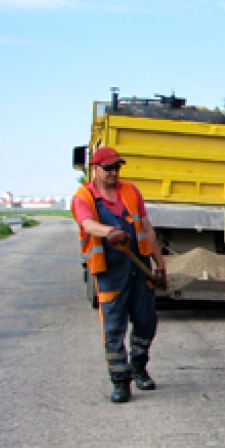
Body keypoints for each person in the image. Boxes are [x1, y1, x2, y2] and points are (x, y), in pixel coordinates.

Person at [72, 146, 168, 404]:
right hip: (110, 272)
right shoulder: (83, 197)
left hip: (139, 268)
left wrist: (159, 264)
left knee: (146, 322)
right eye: (108, 168)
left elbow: (146, 227)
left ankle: (138, 367)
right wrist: (109, 232)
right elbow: (86, 224)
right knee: (114, 329)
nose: (114, 172)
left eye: (117, 167)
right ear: (95, 169)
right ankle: (120, 381)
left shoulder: (131, 191)